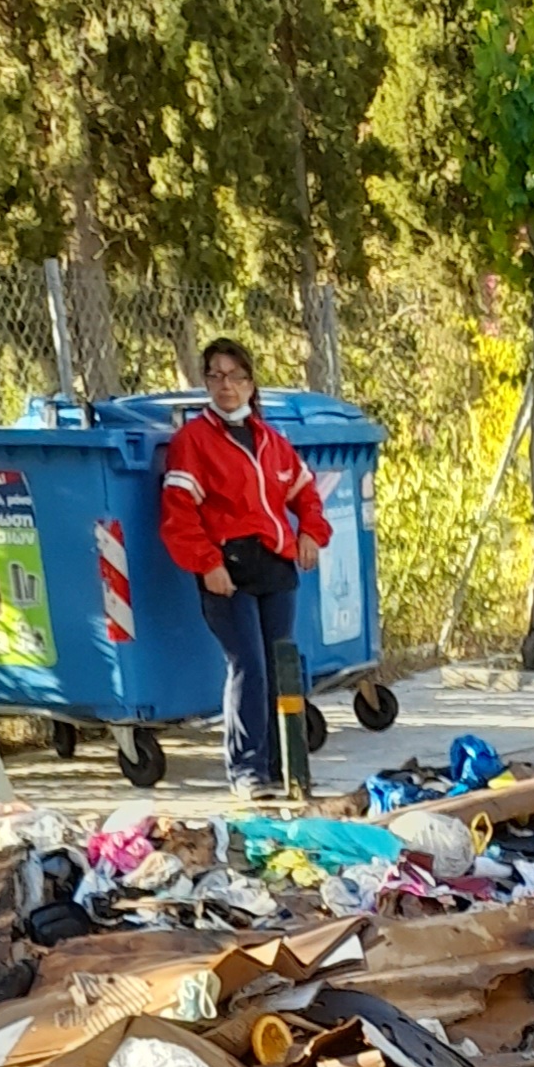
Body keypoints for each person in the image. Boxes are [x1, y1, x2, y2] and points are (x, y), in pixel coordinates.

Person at [160, 338, 329, 800]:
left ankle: (283, 766)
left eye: (234, 376)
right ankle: (247, 769)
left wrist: (312, 532)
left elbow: (306, 493)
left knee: (279, 667)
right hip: (227, 570)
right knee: (247, 666)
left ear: (251, 383)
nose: (225, 385)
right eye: (214, 376)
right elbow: (179, 514)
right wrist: (207, 563)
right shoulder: (192, 442)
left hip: (275, 566)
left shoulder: (273, 442)